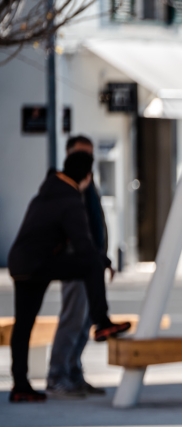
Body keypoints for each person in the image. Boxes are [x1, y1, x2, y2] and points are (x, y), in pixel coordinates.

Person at [7, 151, 131, 403]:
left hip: (21, 264)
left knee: (23, 325)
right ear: (87, 176)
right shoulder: (70, 199)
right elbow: (82, 243)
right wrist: (103, 261)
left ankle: (20, 385)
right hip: (40, 264)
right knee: (91, 265)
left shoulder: (46, 192)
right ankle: (102, 322)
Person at [47, 136, 110, 398]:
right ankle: (57, 377)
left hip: (91, 263)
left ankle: (73, 374)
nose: (87, 162)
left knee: (84, 323)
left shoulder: (88, 183)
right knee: (73, 320)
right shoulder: (67, 184)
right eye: (81, 156)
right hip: (77, 263)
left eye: (90, 156)